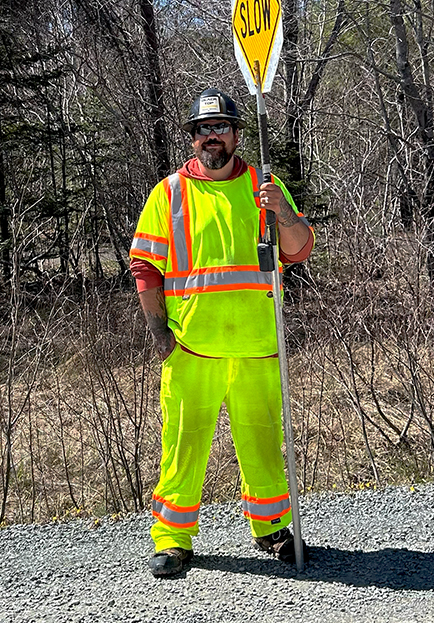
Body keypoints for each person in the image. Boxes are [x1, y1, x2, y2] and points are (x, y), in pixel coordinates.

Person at [129, 87, 314, 578]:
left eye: (221, 128)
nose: (213, 137)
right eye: (203, 130)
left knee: (262, 442)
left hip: (257, 345)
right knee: (184, 446)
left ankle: (273, 527)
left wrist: (284, 214)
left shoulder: (265, 184)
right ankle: (172, 540)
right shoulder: (168, 194)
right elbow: (145, 266)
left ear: (235, 134)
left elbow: (297, 251)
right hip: (192, 347)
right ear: (193, 139)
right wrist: (157, 330)